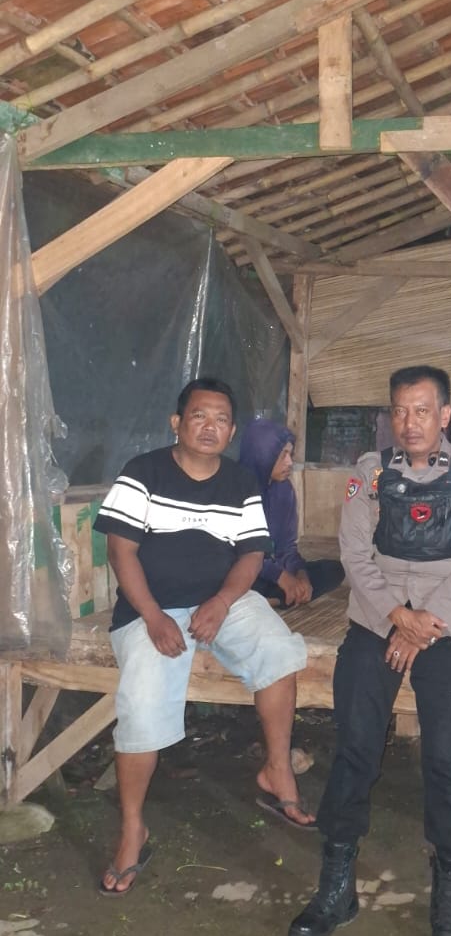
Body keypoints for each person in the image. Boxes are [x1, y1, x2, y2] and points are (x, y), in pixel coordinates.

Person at [288, 364, 451, 936]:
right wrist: (395, 617)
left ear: (445, 415)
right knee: (355, 746)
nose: (409, 423)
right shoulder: (369, 472)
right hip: (376, 620)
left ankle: (450, 895)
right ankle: (336, 888)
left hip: (448, 627)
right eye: (399, 411)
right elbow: (354, 553)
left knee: (446, 756)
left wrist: (424, 622)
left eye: (422, 410)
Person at [94, 377, 314, 897]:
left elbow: (252, 554)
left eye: (221, 419)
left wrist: (221, 602)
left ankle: (276, 771)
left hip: (222, 599)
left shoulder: (240, 483)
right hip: (150, 607)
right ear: (177, 423)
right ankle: (133, 829)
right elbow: (120, 552)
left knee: (279, 651)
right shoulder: (142, 473)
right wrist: (153, 616)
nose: (210, 427)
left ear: (231, 431)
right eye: (199, 416)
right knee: (142, 703)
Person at [239, 419, 344, 607]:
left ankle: (275, 599)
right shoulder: (235, 488)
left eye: (291, 454)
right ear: (263, 455)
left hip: (274, 571)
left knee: (334, 570)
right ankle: (275, 598)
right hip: (244, 570)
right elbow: (240, 551)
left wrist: (301, 575)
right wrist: (281, 577)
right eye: (283, 455)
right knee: (232, 575)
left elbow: (287, 547)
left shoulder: (284, 489)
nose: (289, 462)